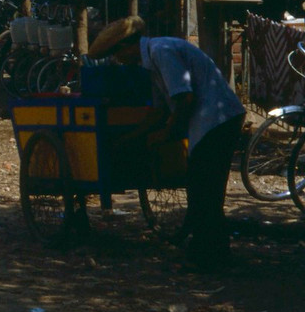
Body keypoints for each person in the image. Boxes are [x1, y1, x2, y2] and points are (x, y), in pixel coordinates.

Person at [88, 16, 245, 271]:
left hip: (217, 120)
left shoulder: (161, 52)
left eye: (117, 55)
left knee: (205, 189)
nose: (119, 61)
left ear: (125, 47)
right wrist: (132, 138)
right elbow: (159, 111)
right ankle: (206, 252)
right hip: (213, 121)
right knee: (203, 188)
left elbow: (184, 99)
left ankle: (211, 257)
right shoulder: (152, 60)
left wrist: (166, 135)